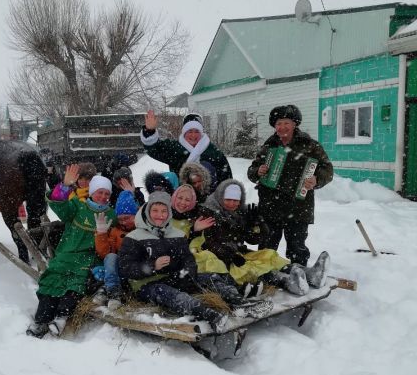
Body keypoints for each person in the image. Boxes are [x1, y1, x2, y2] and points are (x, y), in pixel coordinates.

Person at [118, 192, 256, 333]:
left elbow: (188, 259)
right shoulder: (133, 237)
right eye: (155, 211)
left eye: (164, 211)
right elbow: (124, 268)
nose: (160, 215)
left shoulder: (176, 234)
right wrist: (152, 266)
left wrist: (187, 274)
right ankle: (211, 316)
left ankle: (241, 303)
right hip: (145, 284)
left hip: (172, 278)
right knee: (172, 294)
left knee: (211, 278)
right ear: (147, 211)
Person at [195, 179, 329, 296]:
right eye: (228, 200)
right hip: (220, 257)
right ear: (220, 198)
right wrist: (230, 255)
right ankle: (287, 282)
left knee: (269, 255)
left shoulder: (240, 213)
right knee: (251, 269)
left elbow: (253, 239)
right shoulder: (210, 213)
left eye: (235, 200)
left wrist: (258, 223)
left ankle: (311, 275)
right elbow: (209, 242)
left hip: (238, 252)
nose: (232, 204)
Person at [27, 169, 116, 338]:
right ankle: (41, 320)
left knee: (76, 284)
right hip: (66, 254)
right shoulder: (77, 206)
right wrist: (65, 186)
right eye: (100, 192)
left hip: (88, 258)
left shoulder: (111, 214)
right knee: (52, 282)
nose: (103, 196)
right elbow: (58, 204)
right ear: (92, 192)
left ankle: (61, 318)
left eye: (106, 193)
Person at [247, 104, 333, 266]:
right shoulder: (268, 146)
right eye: (278, 123)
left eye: (286, 123)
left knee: (297, 247)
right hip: (270, 205)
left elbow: (327, 169)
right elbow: (251, 171)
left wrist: (317, 179)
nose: (282, 127)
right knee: (267, 246)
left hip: (298, 206)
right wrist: (258, 171)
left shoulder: (309, 145)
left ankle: (298, 273)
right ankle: (265, 273)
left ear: (295, 124)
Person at [140, 111, 232, 185]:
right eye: (190, 131)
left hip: (209, 200)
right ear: (184, 132)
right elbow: (154, 148)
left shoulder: (213, 152)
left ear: (201, 132)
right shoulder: (175, 148)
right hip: (182, 200)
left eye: (197, 131)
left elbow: (226, 178)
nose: (193, 135)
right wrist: (150, 131)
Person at [92, 189, 139, 308]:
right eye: (120, 218)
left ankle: (105, 289)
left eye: (127, 218)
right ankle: (113, 291)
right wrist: (101, 234)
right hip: (120, 268)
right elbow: (106, 254)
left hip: (136, 268)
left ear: (135, 215)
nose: (123, 222)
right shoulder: (115, 231)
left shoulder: (141, 230)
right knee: (111, 257)